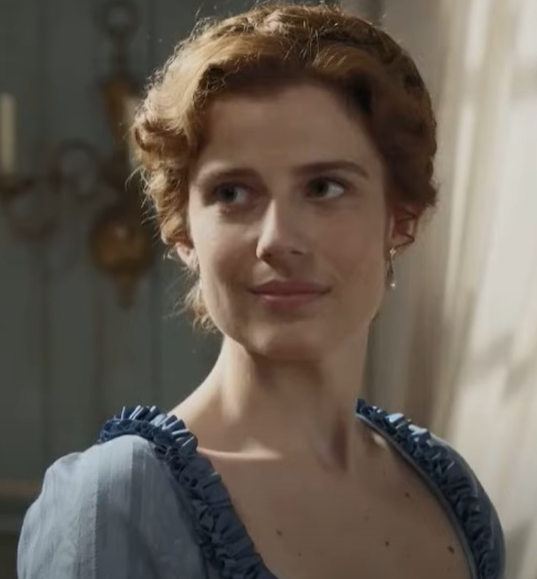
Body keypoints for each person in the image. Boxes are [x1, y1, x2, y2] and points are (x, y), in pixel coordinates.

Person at [17, 3, 505, 579]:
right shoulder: (115, 505)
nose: (277, 239)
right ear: (182, 230)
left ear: (401, 217)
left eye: (324, 187)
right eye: (232, 193)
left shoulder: (450, 491)